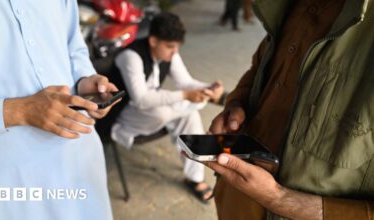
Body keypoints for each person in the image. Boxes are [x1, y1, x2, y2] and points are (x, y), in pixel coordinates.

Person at [207, 0, 374, 219]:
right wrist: (237, 104)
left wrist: (280, 199)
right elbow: (262, 66)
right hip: (234, 203)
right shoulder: (288, 5)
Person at [0, 1, 118, 219]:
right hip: (10, 177)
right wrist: (18, 110)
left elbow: (73, 46)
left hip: (79, 154)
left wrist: (83, 81)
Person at [111, 12, 224, 202]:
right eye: (170, 46)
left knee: (190, 116)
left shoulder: (170, 53)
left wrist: (207, 88)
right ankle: (182, 114)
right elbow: (141, 99)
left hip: (153, 111)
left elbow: (186, 82)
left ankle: (194, 178)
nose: (174, 52)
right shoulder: (131, 56)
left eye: (177, 47)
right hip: (122, 116)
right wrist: (185, 97)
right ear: (153, 41)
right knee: (164, 112)